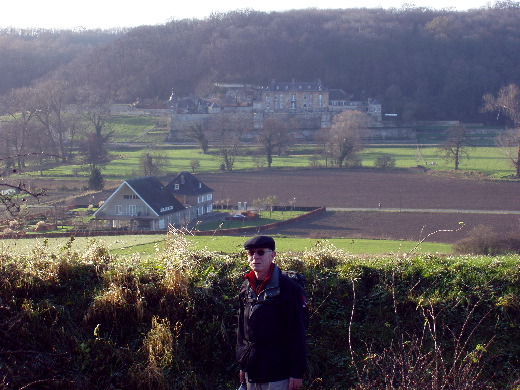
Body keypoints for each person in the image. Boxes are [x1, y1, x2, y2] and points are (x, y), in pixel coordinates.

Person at [236, 235, 307, 390]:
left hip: (279, 372)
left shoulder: (289, 289)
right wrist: (243, 364)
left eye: (261, 252)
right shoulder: (245, 288)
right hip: (252, 369)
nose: (255, 257)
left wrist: (297, 372)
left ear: (272, 255)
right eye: (251, 253)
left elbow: (298, 332)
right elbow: (242, 331)